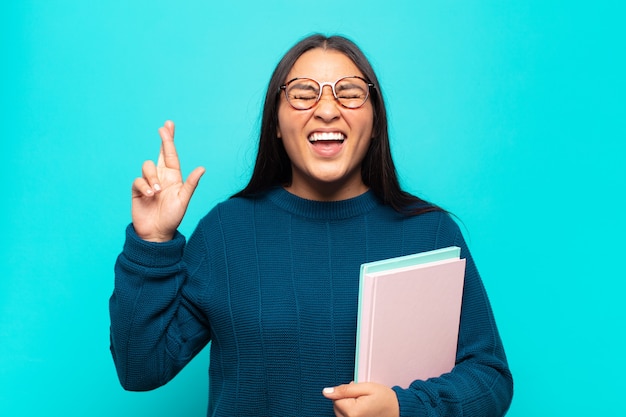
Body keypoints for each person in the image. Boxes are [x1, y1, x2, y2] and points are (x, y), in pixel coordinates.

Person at [109, 34, 513, 416]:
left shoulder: (430, 233)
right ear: (276, 125)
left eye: (350, 93)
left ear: (374, 123)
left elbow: (490, 378)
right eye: (303, 94)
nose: (326, 108)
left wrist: (404, 407)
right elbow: (140, 369)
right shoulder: (225, 233)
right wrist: (153, 241)